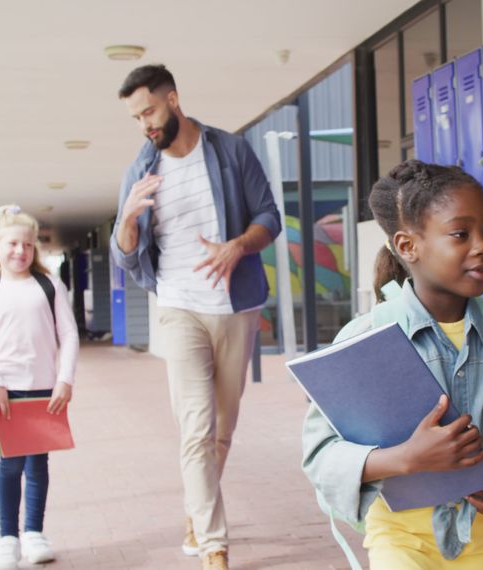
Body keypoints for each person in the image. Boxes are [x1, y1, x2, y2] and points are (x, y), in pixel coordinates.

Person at [302, 160, 483, 569]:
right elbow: (322, 454)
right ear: (408, 246)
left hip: (477, 538)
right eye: (461, 234)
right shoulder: (365, 341)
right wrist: (406, 458)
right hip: (397, 538)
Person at [110, 64, 281, 570]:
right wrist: (126, 220)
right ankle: (213, 545)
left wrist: (237, 247)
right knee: (196, 427)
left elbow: (268, 216)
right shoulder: (140, 173)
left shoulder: (230, 150)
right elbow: (125, 254)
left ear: (173, 98)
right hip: (179, 305)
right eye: (136, 117)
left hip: (235, 306)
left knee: (223, 428)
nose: (144, 123)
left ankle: (195, 508)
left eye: (149, 110)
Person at [0, 205, 79, 570]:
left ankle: (34, 532)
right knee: (10, 465)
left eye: (27, 245)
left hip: (45, 390)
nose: (20, 251)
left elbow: (68, 334)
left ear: (35, 249)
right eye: (13, 244)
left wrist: (64, 379)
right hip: (7, 394)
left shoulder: (50, 286)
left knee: (39, 463)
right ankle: (7, 540)